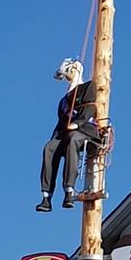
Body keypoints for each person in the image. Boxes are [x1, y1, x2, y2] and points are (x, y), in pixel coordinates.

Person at [37, 58, 95, 213]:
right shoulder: (64, 100)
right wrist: (55, 138)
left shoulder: (87, 87)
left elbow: (90, 108)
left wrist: (77, 124)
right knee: (49, 148)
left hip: (83, 130)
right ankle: (46, 196)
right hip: (64, 132)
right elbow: (61, 120)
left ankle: (69, 189)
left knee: (73, 139)